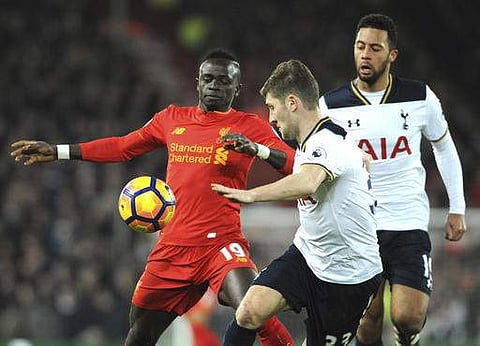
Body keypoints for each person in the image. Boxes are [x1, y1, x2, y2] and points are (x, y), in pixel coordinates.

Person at [10, 49, 296, 346]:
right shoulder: (172, 119)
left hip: (221, 244)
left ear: (236, 89)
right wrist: (58, 151)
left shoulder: (249, 126)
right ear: (197, 82)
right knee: (140, 335)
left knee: (254, 308)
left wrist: (258, 150)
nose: (214, 86)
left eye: (224, 81)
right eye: (208, 79)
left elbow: (293, 163)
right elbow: (122, 147)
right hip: (172, 248)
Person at [319, 13, 467, 346]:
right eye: (360, 46)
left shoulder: (419, 97)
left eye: (374, 48)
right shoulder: (330, 106)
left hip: (407, 220)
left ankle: (408, 337)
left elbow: (443, 146)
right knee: (366, 320)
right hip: (358, 224)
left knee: (407, 316)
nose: (365, 54)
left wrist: (457, 206)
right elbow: (317, 163)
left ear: (391, 55)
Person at [212, 59, 383, 346]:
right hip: (308, 255)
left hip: (348, 276)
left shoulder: (327, 143)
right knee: (249, 311)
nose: (271, 118)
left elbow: (307, 181)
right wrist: (260, 151)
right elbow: (301, 167)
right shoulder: (315, 141)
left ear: (292, 102)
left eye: (272, 106)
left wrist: (251, 195)